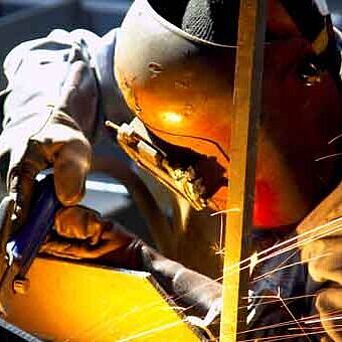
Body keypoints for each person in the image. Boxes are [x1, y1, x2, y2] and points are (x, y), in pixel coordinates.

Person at [0, 0, 341, 340]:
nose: (199, 190)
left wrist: (164, 274)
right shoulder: (204, 59)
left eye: (202, 156)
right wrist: (47, 117)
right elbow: (71, 56)